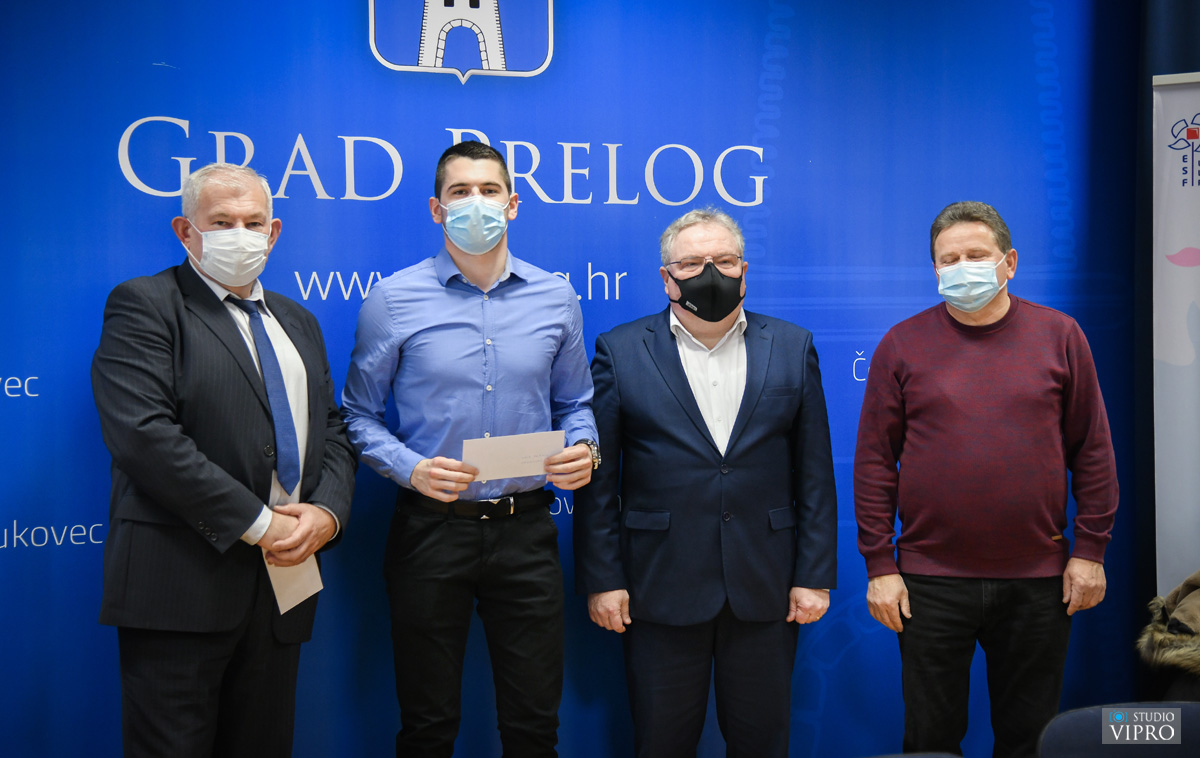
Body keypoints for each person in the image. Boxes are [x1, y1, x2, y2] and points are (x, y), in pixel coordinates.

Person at [341, 140, 598, 758]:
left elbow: (575, 404)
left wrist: (584, 448)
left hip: (526, 530)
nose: (475, 203)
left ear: (513, 204)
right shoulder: (392, 300)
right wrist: (411, 469)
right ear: (436, 209)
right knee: (427, 727)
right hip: (431, 529)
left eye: (489, 190)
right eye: (460, 192)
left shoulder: (556, 297)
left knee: (534, 727)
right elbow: (356, 415)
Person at [91, 162, 356, 758]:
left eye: (253, 222)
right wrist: (260, 525)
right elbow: (143, 436)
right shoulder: (146, 304)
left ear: (274, 232)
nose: (241, 234)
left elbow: (333, 429)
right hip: (179, 588)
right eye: (222, 222)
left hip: (284, 588)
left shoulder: (299, 320)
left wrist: (328, 514)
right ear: (186, 231)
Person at [854, 201, 1118, 757]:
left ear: (1010, 262)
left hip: (1039, 581)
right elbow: (875, 462)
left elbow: (1092, 450)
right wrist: (880, 565)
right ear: (934, 270)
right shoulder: (901, 344)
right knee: (929, 741)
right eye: (948, 260)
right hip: (927, 583)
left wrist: (1090, 551)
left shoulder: (1060, 335)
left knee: (1030, 739)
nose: (962, 268)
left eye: (976, 255)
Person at [573, 207, 838, 757]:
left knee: (763, 745)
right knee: (662, 743)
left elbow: (814, 473)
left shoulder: (793, 345)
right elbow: (599, 484)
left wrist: (814, 575)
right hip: (657, 588)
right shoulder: (620, 350)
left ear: (744, 269)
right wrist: (603, 579)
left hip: (766, 585)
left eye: (724, 260)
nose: (710, 273)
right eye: (692, 263)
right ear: (666, 277)